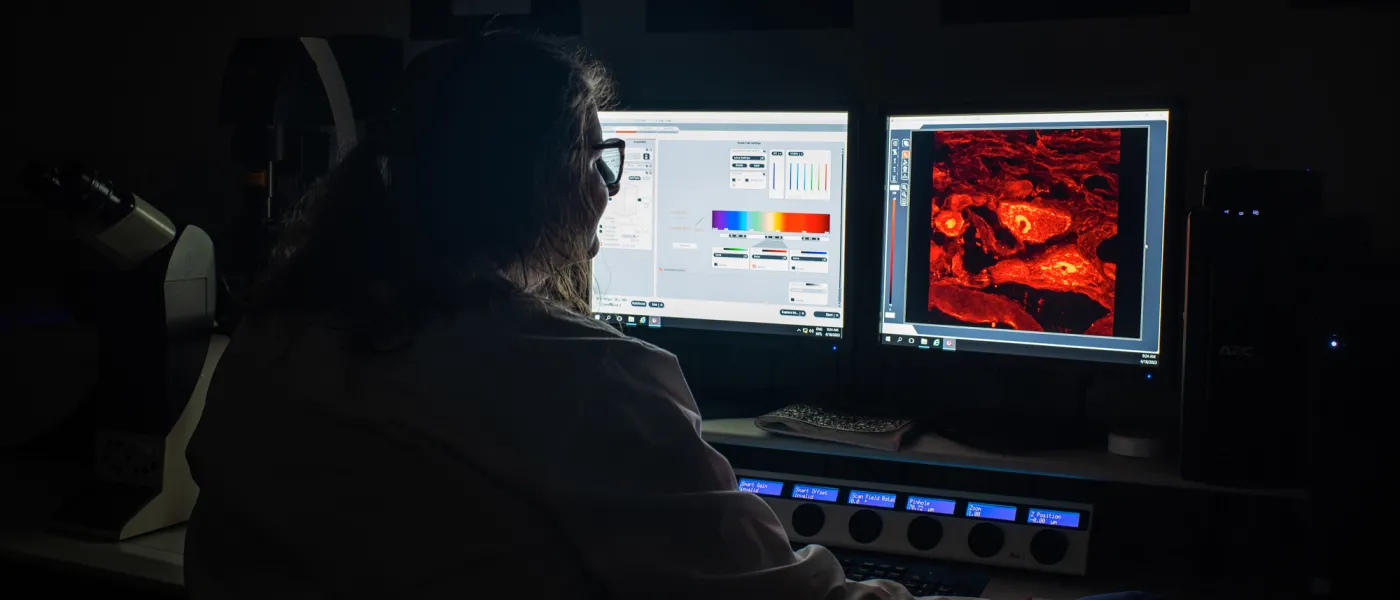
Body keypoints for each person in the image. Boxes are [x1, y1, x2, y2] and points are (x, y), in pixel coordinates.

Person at [185, 32, 932, 600]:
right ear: (545, 183)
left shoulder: (271, 330)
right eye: (598, 160)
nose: (609, 188)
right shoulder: (585, 376)